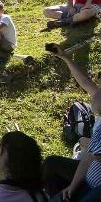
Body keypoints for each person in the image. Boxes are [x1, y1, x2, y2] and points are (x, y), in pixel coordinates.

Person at [44, 44, 101, 202]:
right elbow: (84, 82)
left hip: (96, 188)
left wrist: (86, 142)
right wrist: (65, 57)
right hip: (88, 177)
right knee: (51, 163)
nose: (95, 90)